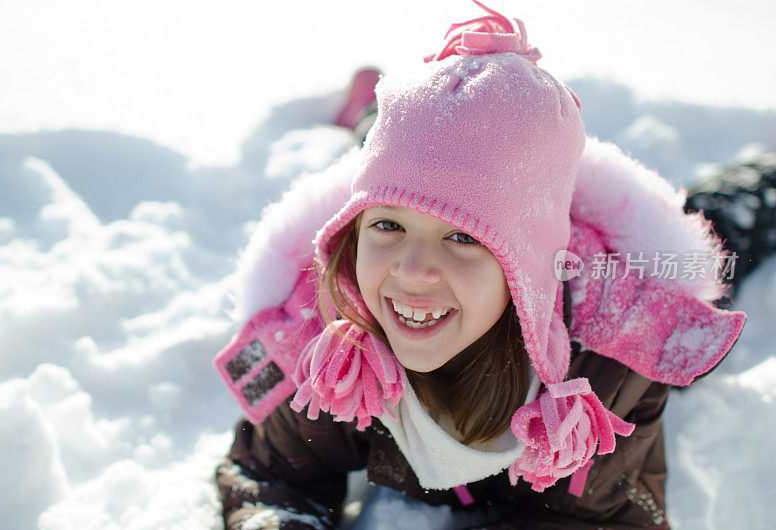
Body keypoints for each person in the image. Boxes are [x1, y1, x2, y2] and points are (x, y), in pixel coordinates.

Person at [212, 1, 749, 528]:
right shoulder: (329, 341)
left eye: (463, 237)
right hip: (448, 166)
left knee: (720, 227)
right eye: (386, 227)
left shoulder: (612, 350)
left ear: (526, 270)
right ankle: (372, 119)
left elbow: (609, 520)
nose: (413, 271)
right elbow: (271, 476)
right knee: (408, 164)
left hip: (577, 252)